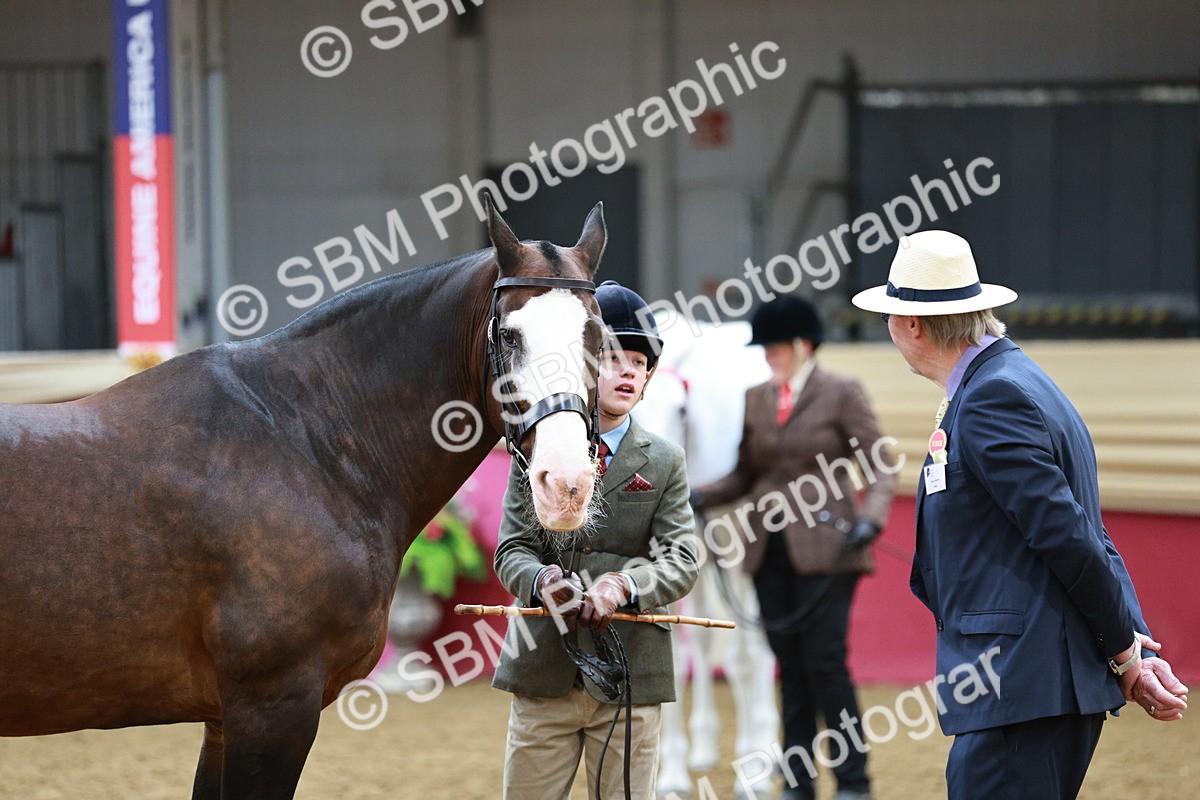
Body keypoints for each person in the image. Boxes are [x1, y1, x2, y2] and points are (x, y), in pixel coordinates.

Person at [851, 230, 1188, 799]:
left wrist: (1127, 652)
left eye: (891, 315)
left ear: (911, 323)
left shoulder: (989, 398)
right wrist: (1129, 644)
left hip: (1020, 688)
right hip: (1032, 686)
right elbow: (1086, 532)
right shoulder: (1017, 381)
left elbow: (1071, 539)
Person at [492, 280, 700, 800]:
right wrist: (541, 580)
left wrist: (624, 586)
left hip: (632, 681)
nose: (627, 371)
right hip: (544, 675)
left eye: (638, 362)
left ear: (649, 376)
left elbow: (682, 557)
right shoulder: (535, 448)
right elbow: (510, 550)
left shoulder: (666, 460)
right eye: (612, 358)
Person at [691, 295, 895, 800]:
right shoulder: (756, 397)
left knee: (825, 662)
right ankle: (798, 782)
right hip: (768, 551)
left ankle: (853, 781)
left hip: (831, 549)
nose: (768, 356)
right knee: (791, 667)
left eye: (776, 347)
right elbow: (745, 473)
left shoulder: (841, 392)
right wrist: (696, 494)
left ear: (804, 345)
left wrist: (870, 519)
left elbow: (881, 464)